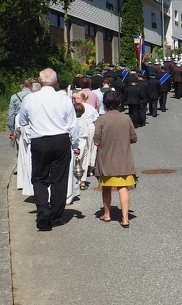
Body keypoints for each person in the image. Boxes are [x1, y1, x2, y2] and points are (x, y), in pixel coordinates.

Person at [18, 68, 80, 231]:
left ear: (39, 80)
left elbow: (23, 121)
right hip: (60, 139)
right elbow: (73, 125)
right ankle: (56, 216)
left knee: (39, 178)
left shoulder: (30, 99)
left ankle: (43, 210)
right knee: (59, 179)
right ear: (55, 81)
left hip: (40, 140)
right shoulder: (64, 99)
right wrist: (75, 145)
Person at [94, 91, 138, 228]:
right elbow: (134, 138)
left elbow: (96, 141)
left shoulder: (101, 119)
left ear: (105, 104)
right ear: (119, 103)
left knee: (106, 188)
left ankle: (107, 214)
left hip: (106, 159)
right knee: (123, 187)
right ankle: (125, 218)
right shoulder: (126, 118)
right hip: (123, 158)